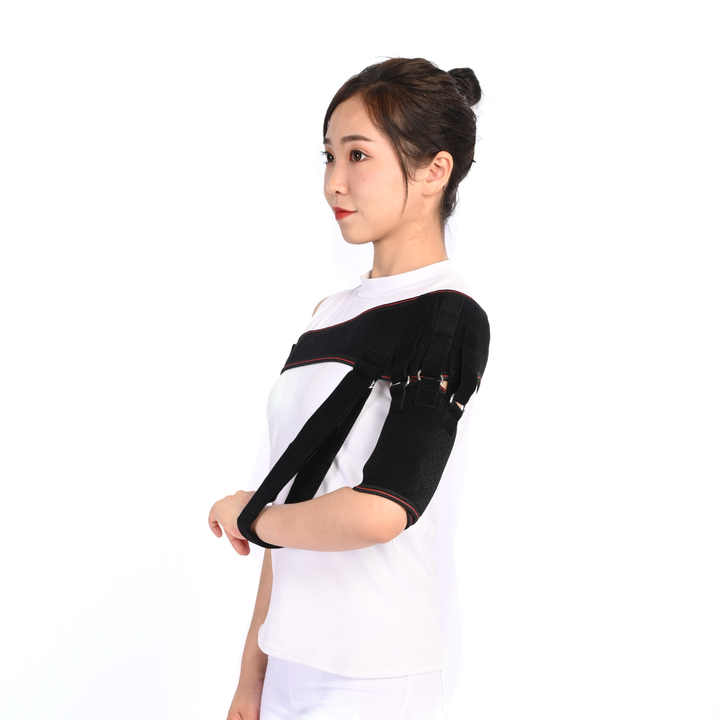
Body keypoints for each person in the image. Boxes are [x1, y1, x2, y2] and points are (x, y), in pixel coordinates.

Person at [208, 56, 490, 720]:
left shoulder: (447, 314)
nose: (334, 181)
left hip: (375, 678)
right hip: (289, 664)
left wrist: (250, 517)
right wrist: (251, 679)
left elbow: (381, 510)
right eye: (329, 156)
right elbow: (294, 495)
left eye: (358, 155)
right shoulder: (328, 314)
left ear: (434, 170)